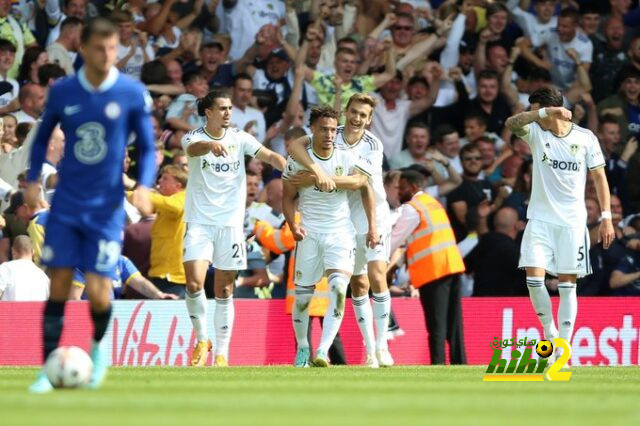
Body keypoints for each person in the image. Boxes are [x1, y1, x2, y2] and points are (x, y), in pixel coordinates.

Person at [25, 17, 156, 393]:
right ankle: (48, 368)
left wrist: (144, 185)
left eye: (113, 47)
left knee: (99, 288)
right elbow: (41, 138)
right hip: (66, 202)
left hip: (105, 206)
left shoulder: (130, 92)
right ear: (84, 49)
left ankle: (98, 353)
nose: (107, 55)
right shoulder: (65, 91)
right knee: (60, 284)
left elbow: (146, 147)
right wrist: (35, 178)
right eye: (100, 47)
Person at [504, 87, 615, 360]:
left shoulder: (586, 138)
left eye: (536, 108)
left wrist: (606, 218)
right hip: (539, 220)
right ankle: (549, 333)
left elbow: (600, 178)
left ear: (550, 107)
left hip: (572, 223)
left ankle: (562, 350)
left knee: (568, 285)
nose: (532, 114)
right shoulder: (536, 132)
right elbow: (510, 123)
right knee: (533, 279)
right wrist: (543, 113)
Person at [288, 94, 394, 367]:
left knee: (376, 274)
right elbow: (295, 146)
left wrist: (316, 177)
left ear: (369, 120)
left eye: (364, 115)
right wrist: (315, 171)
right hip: (342, 216)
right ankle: (369, 350)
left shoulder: (372, 144)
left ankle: (381, 347)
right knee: (357, 285)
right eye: (354, 112)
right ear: (346, 112)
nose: (358, 118)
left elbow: (360, 181)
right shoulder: (327, 134)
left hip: (373, 213)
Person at [182, 89, 285, 368]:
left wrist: (284, 164)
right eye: (223, 108)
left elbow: (267, 154)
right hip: (200, 223)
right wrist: (209, 146)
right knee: (193, 282)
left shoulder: (240, 138)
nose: (229, 113)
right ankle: (203, 339)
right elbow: (193, 150)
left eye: (230, 108)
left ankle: (222, 354)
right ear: (209, 112)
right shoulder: (193, 137)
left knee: (225, 291)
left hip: (230, 226)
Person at [389, 169, 467, 365]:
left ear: (414, 187)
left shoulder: (412, 208)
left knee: (437, 325)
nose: (399, 192)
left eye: (402, 187)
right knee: (454, 324)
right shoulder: (433, 203)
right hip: (452, 265)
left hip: (433, 271)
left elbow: (394, 240)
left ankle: (438, 364)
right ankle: (460, 363)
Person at [0, 235, 49, 301]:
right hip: (35, 311)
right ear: (33, 252)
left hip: (11, 311)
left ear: (13, 251)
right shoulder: (43, 276)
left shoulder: (5, 269)